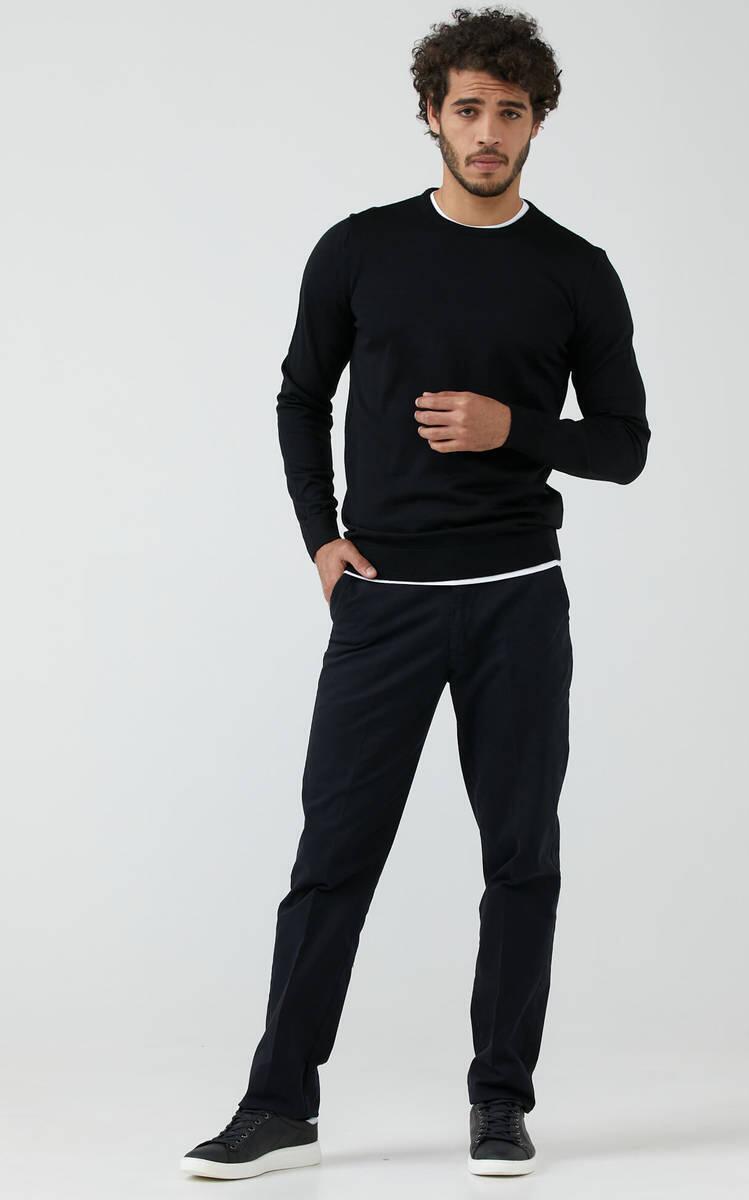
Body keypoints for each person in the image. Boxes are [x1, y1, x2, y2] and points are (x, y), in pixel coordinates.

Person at [181, 6, 650, 1181]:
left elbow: (624, 446)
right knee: (332, 856)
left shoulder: (574, 271)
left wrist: (512, 428)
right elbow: (300, 396)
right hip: (383, 601)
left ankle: (500, 1104)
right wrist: (319, 539)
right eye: (466, 108)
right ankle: (278, 1104)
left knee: (520, 858)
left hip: (516, 601)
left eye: (508, 112)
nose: (486, 132)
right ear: (431, 114)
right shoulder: (359, 249)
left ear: (536, 122)